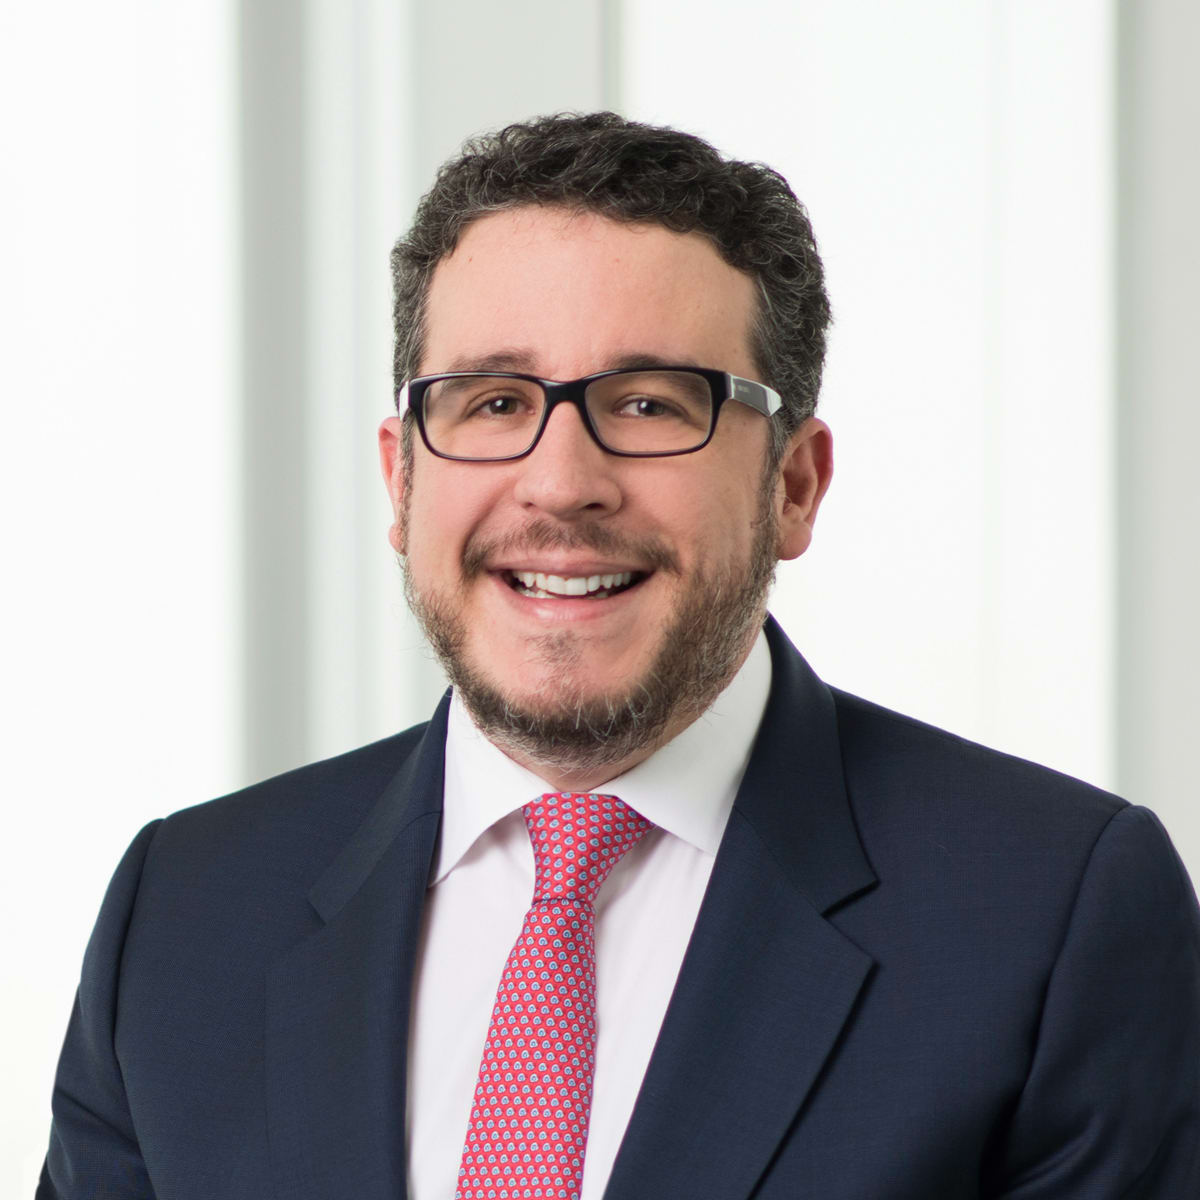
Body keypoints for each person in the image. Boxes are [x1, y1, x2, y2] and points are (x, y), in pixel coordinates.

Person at [39, 112, 1200, 1200]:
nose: (560, 483)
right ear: (401, 479)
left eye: (649, 404)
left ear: (794, 486)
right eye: (494, 402)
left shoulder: (1054, 917)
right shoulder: (182, 914)